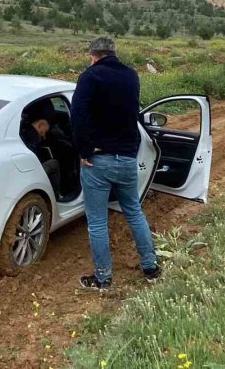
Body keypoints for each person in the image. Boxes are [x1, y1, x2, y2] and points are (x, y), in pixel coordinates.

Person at [71, 37, 161, 290]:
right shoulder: (131, 76)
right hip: (127, 158)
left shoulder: (89, 77)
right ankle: (150, 267)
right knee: (134, 211)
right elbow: (131, 114)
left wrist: (83, 149)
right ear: (114, 53)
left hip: (98, 159)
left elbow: (77, 115)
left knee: (97, 221)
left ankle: (102, 278)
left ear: (93, 55)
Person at [20, 117, 62, 200]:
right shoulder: (32, 136)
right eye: (44, 132)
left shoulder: (24, 128)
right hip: (31, 171)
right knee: (54, 163)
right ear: (40, 125)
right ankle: (56, 196)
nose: (44, 136)